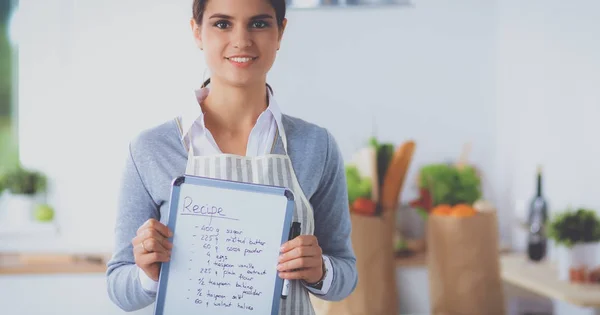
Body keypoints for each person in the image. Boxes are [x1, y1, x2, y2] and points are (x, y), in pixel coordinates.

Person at [105, 0, 357, 313]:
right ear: (197, 32)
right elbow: (118, 286)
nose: (241, 40)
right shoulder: (151, 149)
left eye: (260, 23)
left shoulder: (317, 145)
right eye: (222, 24)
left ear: (281, 32)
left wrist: (321, 270)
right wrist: (148, 274)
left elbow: (346, 272)